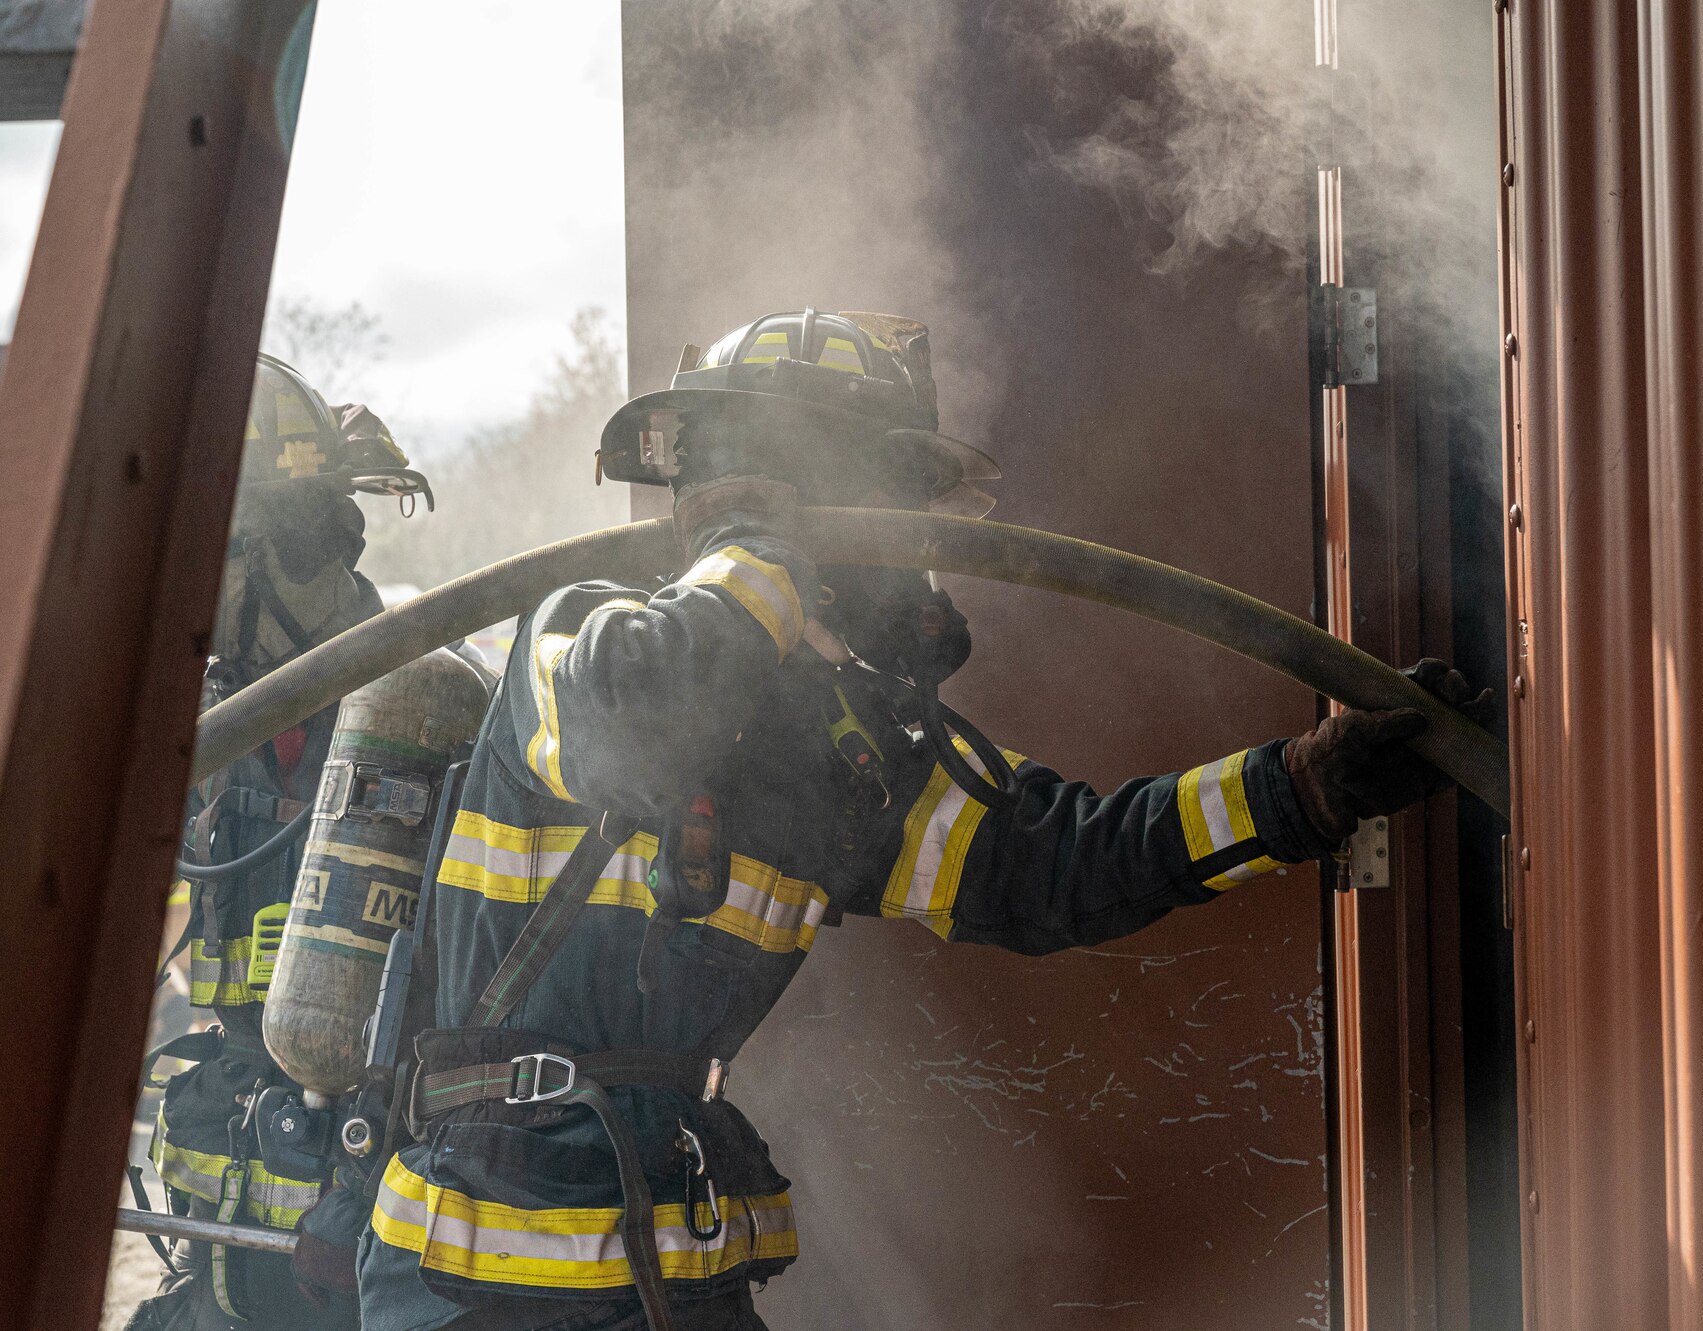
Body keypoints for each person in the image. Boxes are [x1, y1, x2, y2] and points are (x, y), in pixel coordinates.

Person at [355, 310, 1491, 1331]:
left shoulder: (843, 759)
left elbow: (1058, 861)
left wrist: (1302, 787)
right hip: (482, 1281)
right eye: (890, 503)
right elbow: (636, 725)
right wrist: (758, 552)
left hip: (665, 1271)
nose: (916, 559)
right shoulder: (584, 630)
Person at [132, 353, 431, 1331]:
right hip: (235, 1187)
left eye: (205, 553)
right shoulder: (205, 716)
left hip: (371, 1182)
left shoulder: (422, 712)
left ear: (282, 548)